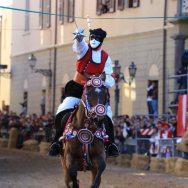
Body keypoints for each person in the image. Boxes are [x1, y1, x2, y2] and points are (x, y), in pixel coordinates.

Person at [48, 27, 119, 157]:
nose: (93, 40)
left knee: (108, 114)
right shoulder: (85, 49)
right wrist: (80, 38)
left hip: (95, 91)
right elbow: (79, 48)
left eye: (97, 38)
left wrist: (101, 80)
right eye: (91, 37)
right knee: (63, 109)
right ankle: (56, 142)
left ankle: (111, 144)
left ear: (101, 40)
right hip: (78, 88)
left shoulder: (106, 57)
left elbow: (109, 75)